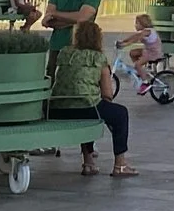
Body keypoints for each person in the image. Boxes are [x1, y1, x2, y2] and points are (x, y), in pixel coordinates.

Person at [47, 20, 136, 176]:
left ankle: (88, 162)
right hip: (86, 107)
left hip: (58, 108)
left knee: (86, 107)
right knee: (119, 114)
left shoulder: (65, 53)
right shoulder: (98, 58)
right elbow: (107, 94)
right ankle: (120, 164)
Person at [112, 14, 164, 93]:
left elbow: (136, 39)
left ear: (143, 24)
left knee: (138, 65)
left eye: (137, 23)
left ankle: (145, 83)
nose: (135, 25)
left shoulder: (148, 31)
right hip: (147, 51)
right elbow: (134, 36)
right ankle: (139, 72)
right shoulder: (143, 32)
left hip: (153, 53)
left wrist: (125, 45)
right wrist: (123, 41)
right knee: (133, 53)